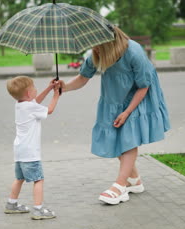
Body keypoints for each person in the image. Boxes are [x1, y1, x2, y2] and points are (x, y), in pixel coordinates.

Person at [57, 26, 170, 205]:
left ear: (109, 42)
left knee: (128, 138)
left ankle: (119, 186)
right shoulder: (98, 53)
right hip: (114, 97)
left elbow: (144, 86)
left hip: (138, 96)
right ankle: (135, 181)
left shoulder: (133, 51)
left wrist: (126, 112)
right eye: (92, 45)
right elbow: (83, 78)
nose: (94, 49)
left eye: (97, 45)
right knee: (117, 137)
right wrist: (64, 87)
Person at [4, 76, 60, 219]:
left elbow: (35, 101)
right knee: (38, 179)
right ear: (29, 93)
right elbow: (50, 110)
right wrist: (56, 94)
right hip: (30, 153)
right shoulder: (31, 107)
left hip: (19, 151)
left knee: (19, 178)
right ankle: (38, 209)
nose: (36, 89)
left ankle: (12, 204)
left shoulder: (20, 104)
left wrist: (48, 88)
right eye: (34, 87)